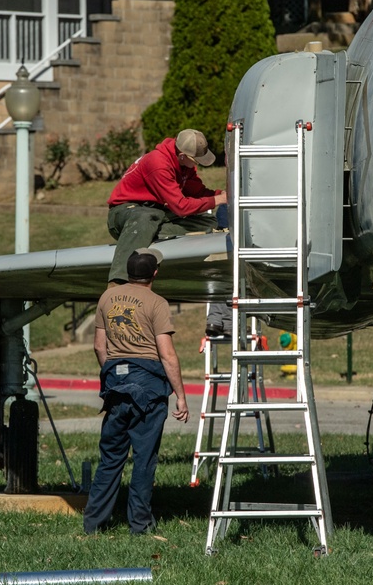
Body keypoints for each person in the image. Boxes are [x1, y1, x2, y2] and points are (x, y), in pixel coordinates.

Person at [83, 248, 190, 535]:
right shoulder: (157, 303)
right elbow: (167, 355)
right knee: (143, 459)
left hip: (116, 387)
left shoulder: (107, 297)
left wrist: (115, 375)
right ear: (154, 273)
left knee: (110, 458)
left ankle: (94, 524)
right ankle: (139, 525)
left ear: (128, 272)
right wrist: (180, 395)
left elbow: (98, 346)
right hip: (149, 390)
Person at [106, 129, 228, 285]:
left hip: (156, 213)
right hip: (126, 212)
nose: (197, 165)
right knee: (145, 217)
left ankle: (150, 233)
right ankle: (118, 282)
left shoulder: (184, 164)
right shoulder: (158, 163)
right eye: (197, 160)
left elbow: (197, 191)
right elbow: (181, 207)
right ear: (183, 156)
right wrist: (218, 199)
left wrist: (221, 194)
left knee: (208, 222)